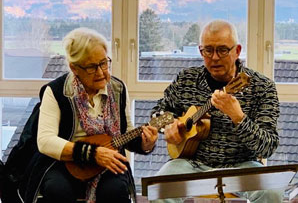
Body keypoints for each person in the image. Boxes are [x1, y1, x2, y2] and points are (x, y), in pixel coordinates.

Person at [18, 27, 158, 203]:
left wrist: (145, 144)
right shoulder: (56, 91)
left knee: (115, 191)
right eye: (92, 67)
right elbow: (45, 141)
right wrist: (92, 153)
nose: (101, 72)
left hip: (108, 162)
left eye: (104, 63)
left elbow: (125, 133)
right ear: (74, 68)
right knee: (57, 190)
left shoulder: (118, 89)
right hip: (62, 162)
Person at [150, 20, 283, 203]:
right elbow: (156, 116)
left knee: (272, 193)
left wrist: (239, 117)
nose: (214, 57)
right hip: (190, 164)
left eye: (222, 50)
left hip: (242, 165)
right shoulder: (186, 79)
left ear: (237, 51)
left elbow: (268, 146)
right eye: (208, 50)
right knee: (158, 189)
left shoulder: (262, 87)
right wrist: (169, 125)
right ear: (200, 51)